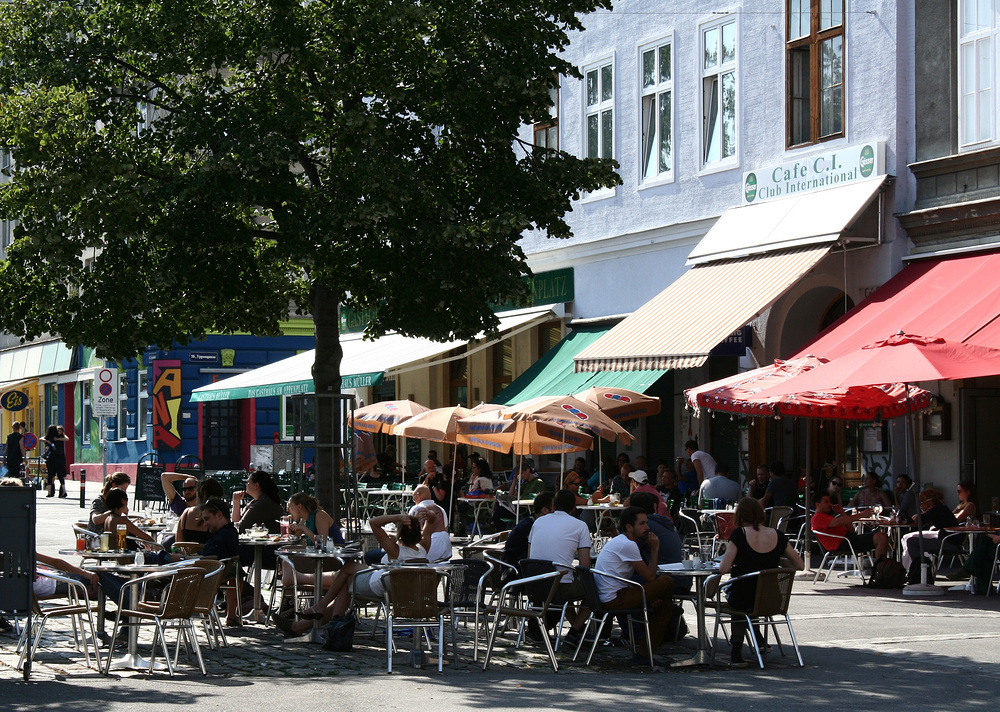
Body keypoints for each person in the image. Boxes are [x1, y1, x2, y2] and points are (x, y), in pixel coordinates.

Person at [274, 513, 432, 637]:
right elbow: (431, 526)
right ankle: (306, 625)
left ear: (400, 534)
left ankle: (322, 611)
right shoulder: (423, 549)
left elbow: (374, 523)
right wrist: (429, 517)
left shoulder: (395, 551)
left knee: (348, 570)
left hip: (380, 586)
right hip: (400, 589)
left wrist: (397, 517)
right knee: (347, 579)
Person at [719, 497, 804, 666]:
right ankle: (759, 640)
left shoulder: (740, 535)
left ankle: (736, 650)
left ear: (740, 516)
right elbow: (799, 565)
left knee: (737, 598)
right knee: (750, 598)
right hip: (771, 598)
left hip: (743, 597)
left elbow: (723, 568)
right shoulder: (778, 535)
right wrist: (775, 560)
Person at [593, 507, 675, 668]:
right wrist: (655, 548)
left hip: (616, 593)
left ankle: (644, 654)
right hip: (615, 598)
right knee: (667, 581)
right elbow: (650, 576)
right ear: (629, 527)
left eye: (647, 523)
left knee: (666, 606)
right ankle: (644, 653)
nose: (647, 528)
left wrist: (652, 595)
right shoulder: (627, 544)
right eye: (642, 524)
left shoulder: (621, 542)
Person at [527, 489, 592, 644]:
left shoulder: (538, 522)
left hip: (535, 584)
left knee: (565, 579)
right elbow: (584, 565)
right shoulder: (580, 526)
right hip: (558, 586)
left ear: (554, 505)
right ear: (574, 508)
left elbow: (530, 557)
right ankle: (575, 630)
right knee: (597, 589)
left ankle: (578, 629)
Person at [628, 491, 686, 593]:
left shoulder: (646, 526)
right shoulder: (660, 521)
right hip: (683, 578)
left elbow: (629, 550)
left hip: (670, 580)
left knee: (619, 582)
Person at [901, 488, 959, 583]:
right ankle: (919, 568)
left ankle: (920, 569)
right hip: (948, 540)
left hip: (948, 543)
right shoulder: (941, 508)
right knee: (913, 540)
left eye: (921, 502)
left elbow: (919, 519)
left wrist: (915, 516)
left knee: (911, 541)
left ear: (929, 502)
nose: (920, 505)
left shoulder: (937, 510)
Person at [812, 493, 890, 562]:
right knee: (881, 537)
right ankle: (881, 570)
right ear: (817, 505)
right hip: (842, 544)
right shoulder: (817, 518)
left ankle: (882, 568)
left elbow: (851, 529)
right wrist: (861, 515)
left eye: (829, 502)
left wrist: (841, 512)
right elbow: (838, 522)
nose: (830, 504)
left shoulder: (827, 517)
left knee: (881, 534)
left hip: (849, 540)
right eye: (826, 502)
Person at [490, 460, 548, 531]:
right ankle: (497, 528)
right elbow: (511, 495)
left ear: (528, 470)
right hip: (518, 507)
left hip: (527, 508)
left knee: (501, 511)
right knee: (500, 509)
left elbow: (539, 499)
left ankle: (494, 526)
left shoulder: (538, 483)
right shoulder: (525, 484)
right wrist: (514, 482)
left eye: (522, 473)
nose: (521, 476)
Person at [502, 491, 553, 568]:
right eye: (556, 510)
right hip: (515, 571)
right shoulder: (529, 525)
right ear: (545, 510)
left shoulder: (532, 522)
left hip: (523, 566)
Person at [174, 477, 226, 546]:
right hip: (209, 556)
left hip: (186, 555)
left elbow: (178, 544)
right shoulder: (217, 515)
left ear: (198, 495)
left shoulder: (186, 513)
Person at [407, 485, 450, 562]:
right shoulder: (441, 509)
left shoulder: (416, 509)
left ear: (418, 495)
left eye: (428, 515)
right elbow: (445, 528)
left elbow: (409, 532)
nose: (423, 520)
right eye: (421, 518)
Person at [40, 424, 70, 498]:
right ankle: (64, 491)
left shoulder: (48, 438)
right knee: (60, 476)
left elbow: (40, 439)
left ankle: (49, 492)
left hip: (51, 459)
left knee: (50, 475)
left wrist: (47, 441)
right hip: (60, 458)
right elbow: (67, 438)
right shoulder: (59, 437)